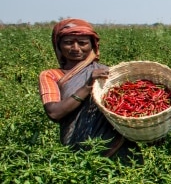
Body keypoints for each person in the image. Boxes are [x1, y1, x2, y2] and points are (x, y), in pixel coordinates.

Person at [38, 18, 132, 157]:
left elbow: (126, 111)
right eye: (68, 43)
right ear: (58, 46)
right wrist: (87, 86)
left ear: (92, 46)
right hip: (78, 150)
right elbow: (54, 113)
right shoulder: (51, 75)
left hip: (119, 147)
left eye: (82, 43)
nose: (76, 48)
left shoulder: (106, 73)